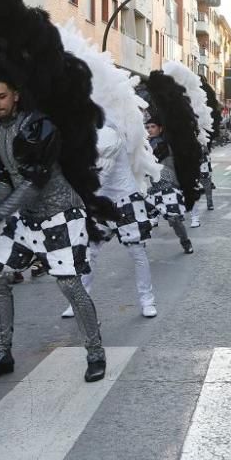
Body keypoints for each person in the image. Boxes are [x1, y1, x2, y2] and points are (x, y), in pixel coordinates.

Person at [0, 74, 106, 383]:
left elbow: (33, 185)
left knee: (68, 284)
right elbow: (7, 183)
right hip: (27, 218)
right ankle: (2, 354)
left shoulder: (37, 128)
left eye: (1, 97)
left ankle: (95, 353)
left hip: (61, 213)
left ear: (16, 97)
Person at [62, 124, 158, 319]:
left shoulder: (108, 133)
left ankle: (147, 301)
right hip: (100, 203)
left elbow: (100, 175)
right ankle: (80, 300)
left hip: (124, 201)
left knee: (137, 252)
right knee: (89, 251)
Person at [146, 118, 193, 254]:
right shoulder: (146, 144)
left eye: (153, 126)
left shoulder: (166, 143)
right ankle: (137, 249)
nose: (150, 129)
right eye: (147, 127)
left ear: (160, 128)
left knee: (174, 219)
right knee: (136, 215)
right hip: (153, 187)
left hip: (170, 186)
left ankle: (185, 242)